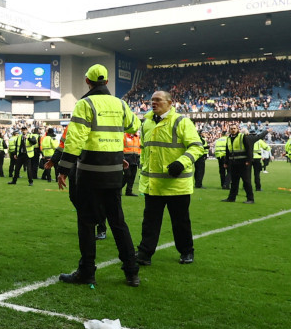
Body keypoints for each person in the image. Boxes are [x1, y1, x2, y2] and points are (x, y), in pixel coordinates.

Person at [55, 65, 140, 287]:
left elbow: (75, 139)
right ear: (107, 81)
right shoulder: (120, 104)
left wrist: (63, 169)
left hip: (90, 172)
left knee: (86, 222)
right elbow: (134, 125)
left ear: (88, 81)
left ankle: (87, 272)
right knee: (118, 222)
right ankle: (132, 272)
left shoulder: (85, 104)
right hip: (114, 171)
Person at [133, 92, 205, 266]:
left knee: (180, 222)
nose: (153, 103)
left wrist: (181, 163)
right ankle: (145, 253)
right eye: (152, 100)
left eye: (158, 100)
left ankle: (186, 251)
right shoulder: (147, 123)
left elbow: (197, 147)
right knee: (150, 222)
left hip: (176, 184)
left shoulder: (181, 122)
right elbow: (145, 149)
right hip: (153, 184)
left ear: (170, 103)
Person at [221, 124, 257, 204]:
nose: (233, 130)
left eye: (234, 128)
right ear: (229, 130)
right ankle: (231, 198)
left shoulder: (242, 137)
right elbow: (227, 151)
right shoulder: (228, 138)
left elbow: (248, 149)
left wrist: (248, 160)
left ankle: (250, 199)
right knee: (234, 182)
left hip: (243, 163)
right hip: (233, 163)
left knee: (246, 181)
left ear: (237, 129)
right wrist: (226, 162)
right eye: (231, 129)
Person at [122, 130, 141, 196]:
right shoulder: (124, 135)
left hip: (135, 158)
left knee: (133, 175)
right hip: (126, 158)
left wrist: (138, 158)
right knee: (127, 174)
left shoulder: (137, 137)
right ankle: (118, 189)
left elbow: (139, 148)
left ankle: (129, 191)